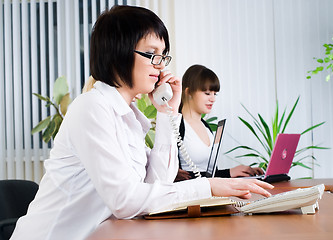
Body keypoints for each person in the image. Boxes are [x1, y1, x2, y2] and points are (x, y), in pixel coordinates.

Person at [11, 6, 273, 240]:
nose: (159, 65)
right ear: (118, 53)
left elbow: (157, 182)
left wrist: (167, 111)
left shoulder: (129, 117)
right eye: (151, 54)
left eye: (163, 55)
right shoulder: (92, 107)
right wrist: (208, 186)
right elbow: (124, 200)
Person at [175, 64, 264, 182]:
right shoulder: (176, 125)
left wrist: (237, 172)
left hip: (210, 193)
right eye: (207, 93)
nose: (213, 99)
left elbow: (211, 175)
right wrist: (229, 173)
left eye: (214, 94)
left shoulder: (206, 127)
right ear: (189, 92)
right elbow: (178, 178)